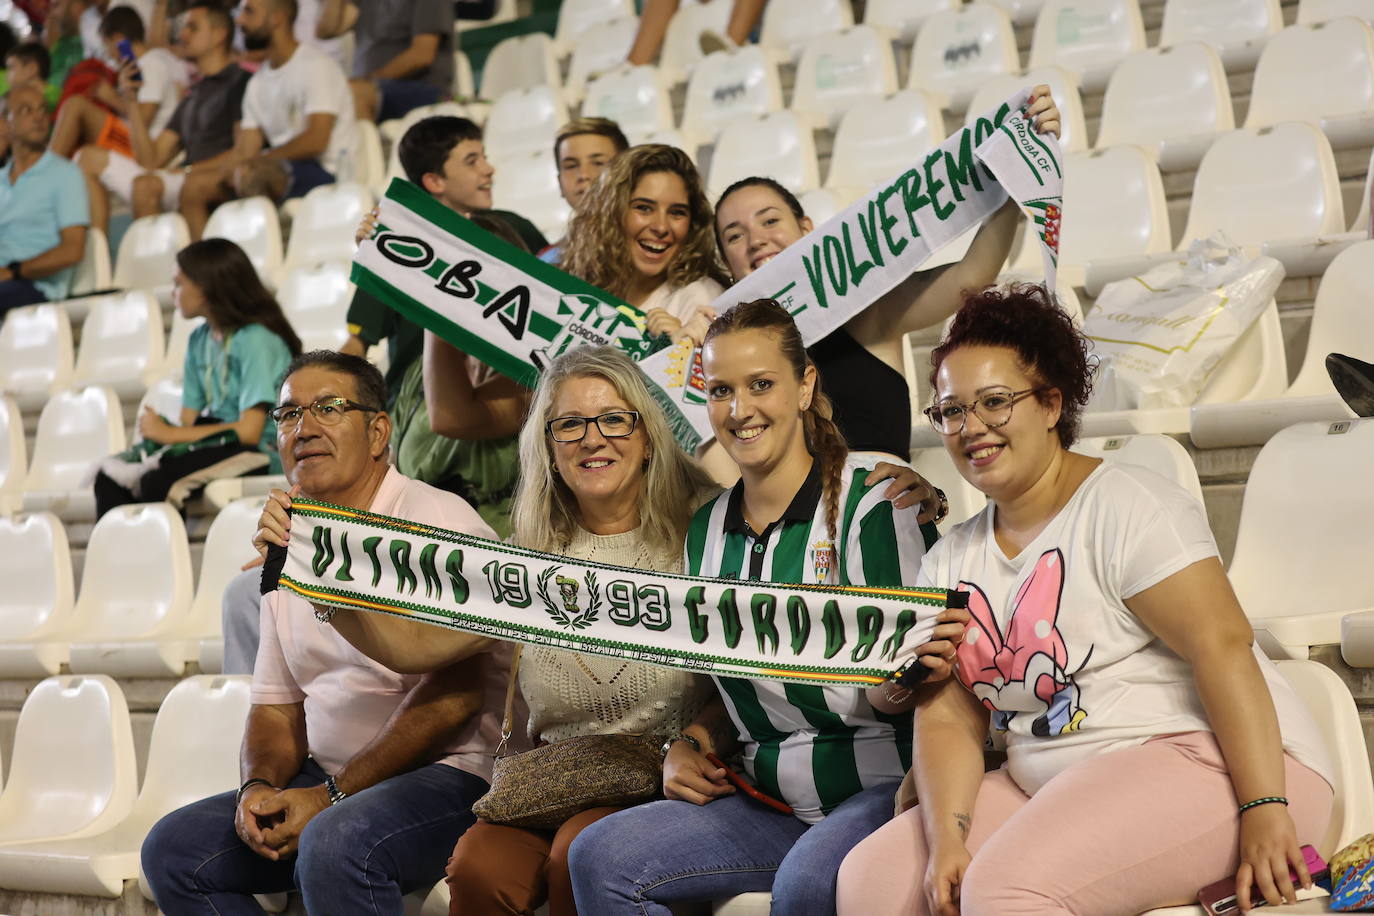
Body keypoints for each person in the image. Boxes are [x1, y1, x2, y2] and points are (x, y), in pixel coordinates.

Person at [835, 285, 1334, 916]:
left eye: (994, 402)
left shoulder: (1127, 504)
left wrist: (1265, 807)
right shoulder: (950, 558)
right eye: (951, 411)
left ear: (1050, 403)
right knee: (871, 883)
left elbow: (1223, 648)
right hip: (1053, 781)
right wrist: (948, 839)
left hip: (1211, 760)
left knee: (1007, 891)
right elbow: (947, 715)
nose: (972, 428)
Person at [567, 299, 969, 916]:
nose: (740, 410)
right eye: (721, 390)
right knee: (600, 857)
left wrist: (904, 684)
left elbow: (938, 676)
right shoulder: (705, 531)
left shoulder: (878, 500)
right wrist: (694, 742)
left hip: (883, 789)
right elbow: (742, 691)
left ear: (806, 384)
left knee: (807, 884)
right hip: (767, 800)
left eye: (761, 385)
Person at [141, 350, 511, 914]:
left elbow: (451, 702)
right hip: (333, 776)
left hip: (451, 774)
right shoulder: (290, 538)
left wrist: (332, 796)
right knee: (173, 851)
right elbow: (275, 706)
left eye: (329, 408)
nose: (305, 427)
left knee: (336, 842)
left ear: (379, 431)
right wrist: (257, 788)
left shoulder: (439, 523)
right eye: (288, 414)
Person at [711, 86, 1062, 462]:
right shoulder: (719, 359)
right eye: (735, 235)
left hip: (876, 512)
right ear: (726, 264)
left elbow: (971, 275)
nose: (756, 240)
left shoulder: (867, 311)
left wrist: (1016, 172)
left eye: (770, 220)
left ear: (807, 228)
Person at [93, 238, 300, 517]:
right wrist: (165, 432)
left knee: (158, 480)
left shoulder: (256, 340)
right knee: (108, 478)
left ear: (205, 287)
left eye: (179, 284)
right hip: (217, 444)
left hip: (259, 451)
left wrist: (170, 434)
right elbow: (189, 421)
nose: (172, 293)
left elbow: (249, 432)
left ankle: (163, 555)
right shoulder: (198, 339)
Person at [180, 0, 354, 239]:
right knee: (194, 188)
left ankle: (260, 256)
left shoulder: (317, 65)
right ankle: (206, 267)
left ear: (276, 19)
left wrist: (258, 160)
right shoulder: (257, 82)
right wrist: (225, 167)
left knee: (252, 174)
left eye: (249, 12)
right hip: (277, 166)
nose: (239, 20)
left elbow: (317, 140)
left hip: (325, 171)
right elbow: (246, 149)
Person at [94, 1, 249, 229]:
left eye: (193, 28)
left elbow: (243, 151)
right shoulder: (192, 96)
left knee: (173, 186)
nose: (183, 35)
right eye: (184, 28)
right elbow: (151, 160)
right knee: (143, 183)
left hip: (218, 178)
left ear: (219, 35)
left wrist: (187, 171)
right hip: (187, 177)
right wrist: (132, 100)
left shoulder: (240, 82)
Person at [560, 142, 729, 346]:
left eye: (677, 213)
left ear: (693, 224)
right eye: (644, 208)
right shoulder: (585, 285)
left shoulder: (700, 298)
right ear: (611, 213)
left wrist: (674, 350)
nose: (661, 226)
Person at [49, 4, 188, 232]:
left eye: (108, 46)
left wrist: (112, 97)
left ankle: (43, 177)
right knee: (83, 149)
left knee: (76, 107)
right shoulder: (157, 59)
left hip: (148, 149)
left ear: (119, 39)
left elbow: (143, 119)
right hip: (140, 144)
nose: (110, 56)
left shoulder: (151, 63)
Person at [0, 81, 88, 315]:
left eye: (42, 109)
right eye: (27, 110)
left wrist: (14, 271)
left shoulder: (65, 174)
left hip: (37, 288)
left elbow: (73, 250)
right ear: (5, 125)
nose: (39, 117)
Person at [316, 0, 454, 122]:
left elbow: (422, 56)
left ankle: (364, 151)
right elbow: (327, 30)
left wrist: (368, 80)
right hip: (368, 87)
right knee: (320, 93)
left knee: (352, 94)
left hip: (422, 88)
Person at [538, 116, 629, 265]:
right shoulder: (546, 262)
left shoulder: (651, 247)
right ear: (560, 183)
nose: (583, 175)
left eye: (598, 163)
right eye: (571, 166)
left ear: (626, 172)